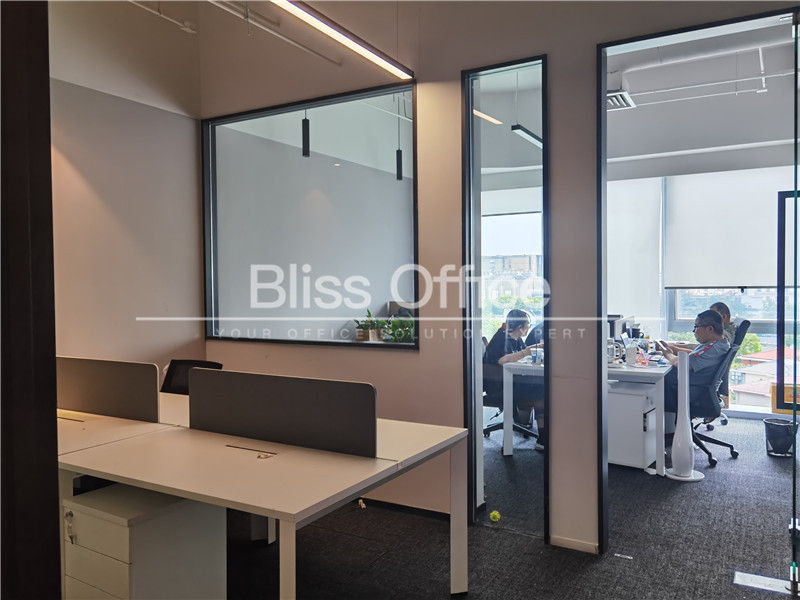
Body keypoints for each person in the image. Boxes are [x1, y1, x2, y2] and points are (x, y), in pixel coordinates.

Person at [483, 309, 545, 449]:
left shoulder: (515, 339)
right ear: (520, 327)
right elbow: (502, 360)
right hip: (500, 388)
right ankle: (542, 438)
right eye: (528, 325)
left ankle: (544, 434)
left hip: (510, 383)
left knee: (541, 385)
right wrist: (526, 351)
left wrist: (533, 349)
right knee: (541, 391)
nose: (529, 327)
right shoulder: (501, 339)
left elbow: (523, 354)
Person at [657, 309, 730, 414]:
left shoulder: (712, 348)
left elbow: (681, 364)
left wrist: (668, 354)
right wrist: (672, 348)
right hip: (694, 387)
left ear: (710, 329)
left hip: (688, 391)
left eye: (696, 327)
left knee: (649, 383)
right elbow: (694, 354)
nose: (693, 331)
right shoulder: (719, 344)